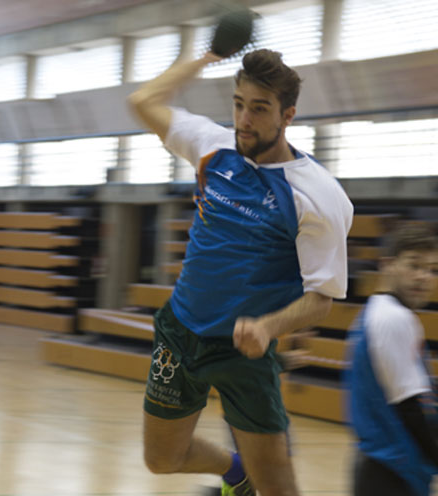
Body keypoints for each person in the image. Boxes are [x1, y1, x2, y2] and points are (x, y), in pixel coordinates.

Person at [128, 48, 353, 496]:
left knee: (279, 489)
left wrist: (269, 326)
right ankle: (236, 472)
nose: (244, 119)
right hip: (180, 332)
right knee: (161, 459)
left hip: (243, 351)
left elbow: (321, 299)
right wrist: (206, 56)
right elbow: (143, 102)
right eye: (238, 104)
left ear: (287, 115)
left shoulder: (318, 195)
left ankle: (255, 476)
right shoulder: (212, 146)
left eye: (259, 108)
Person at [345, 224, 438, 496]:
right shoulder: (394, 318)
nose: (424, 277)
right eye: (414, 265)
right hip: (392, 471)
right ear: (387, 264)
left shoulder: (373, 313)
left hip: (381, 465)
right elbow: (410, 407)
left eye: (434, 269)